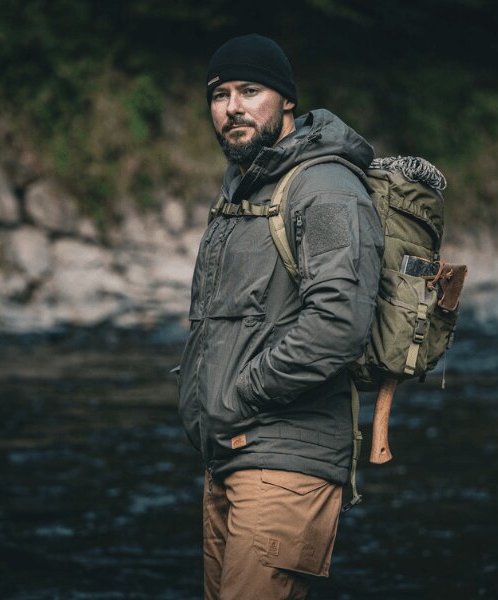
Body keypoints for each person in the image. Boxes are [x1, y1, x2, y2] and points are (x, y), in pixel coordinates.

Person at [177, 33, 383, 600]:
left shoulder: (325, 188)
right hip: (230, 458)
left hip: (284, 467)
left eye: (251, 90)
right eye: (220, 95)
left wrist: (240, 393)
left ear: (287, 100)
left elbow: (339, 323)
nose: (233, 108)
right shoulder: (246, 189)